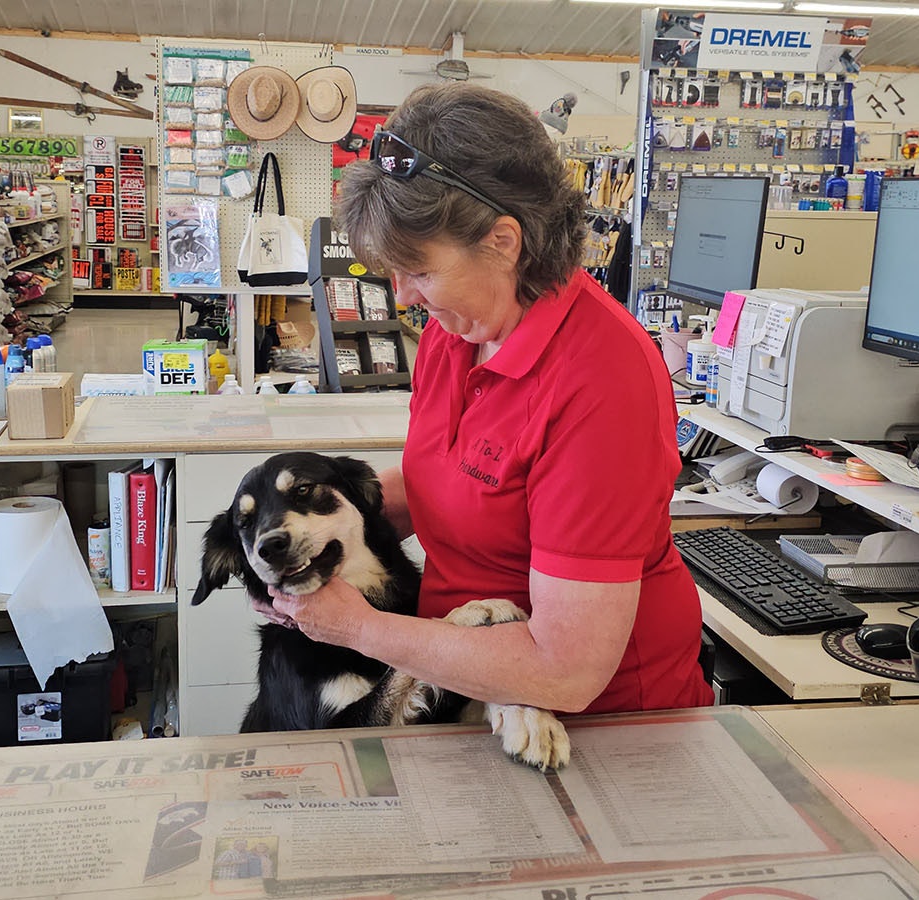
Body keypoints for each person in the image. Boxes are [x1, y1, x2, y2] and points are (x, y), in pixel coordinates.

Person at [263, 83, 714, 716]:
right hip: (469, 687)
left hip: (600, 727)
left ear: (503, 242)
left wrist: (355, 627)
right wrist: (300, 533)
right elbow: (447, 482)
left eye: (418, 271)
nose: (402, 297)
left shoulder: (601, 379)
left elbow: (566, 670)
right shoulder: (459, 331)